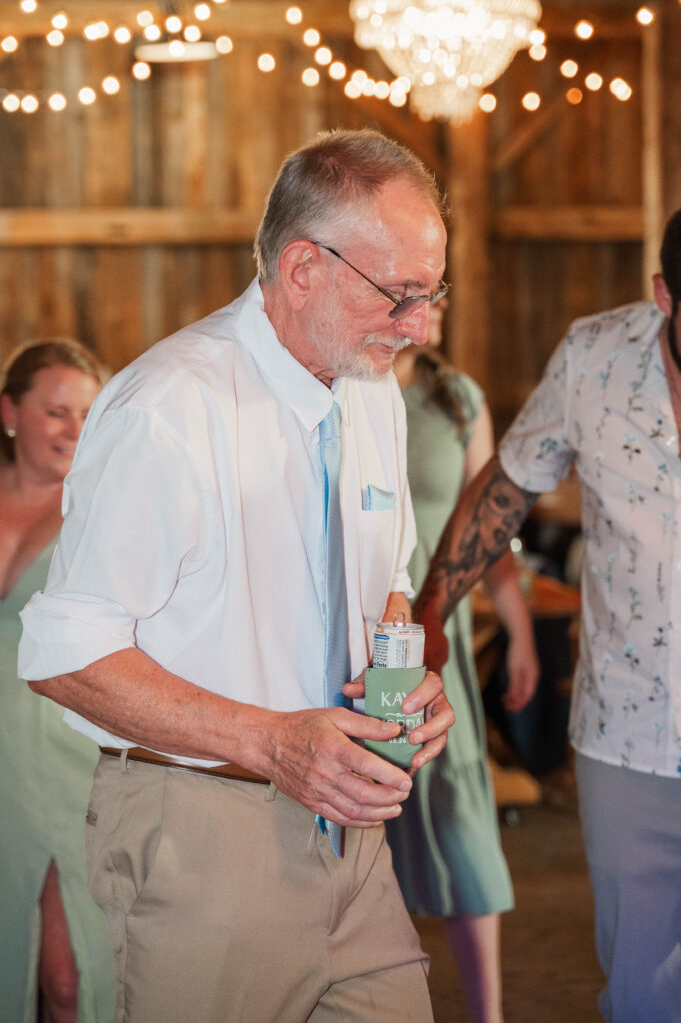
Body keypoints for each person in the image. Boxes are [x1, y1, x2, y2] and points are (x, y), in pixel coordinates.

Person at [18, 129, 456, 1023]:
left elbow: (389, 580)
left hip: (357, 844)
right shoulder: (168, 410)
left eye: (431, 292)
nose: (419, 326)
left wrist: (404, 686)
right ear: (303, 270)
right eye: (399, 295)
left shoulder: (370, 393)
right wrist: (271, 742)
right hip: (201, 832)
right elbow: (64, 652)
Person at [413, 208, 681, 1023]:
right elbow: (507, 487)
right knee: (638, 988)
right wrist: (429, 614)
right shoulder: (595, 357)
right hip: (627, 734)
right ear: (665, 295)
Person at [389, 300, 539, 1023]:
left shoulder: (458, 398)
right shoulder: (339, 388)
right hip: (357, 633)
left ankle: (488, 1015)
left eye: (442, 291)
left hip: (435, 633)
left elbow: (490, 523)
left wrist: (519, 634)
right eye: (419, 290)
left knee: (457, 816)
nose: (438, 305)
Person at [0, 340, 114, 1023]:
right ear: (9, 412)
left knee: (69, 978)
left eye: (88, 413)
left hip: (67, 754)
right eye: (56, 411)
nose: (75, 429)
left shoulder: (103, 512)